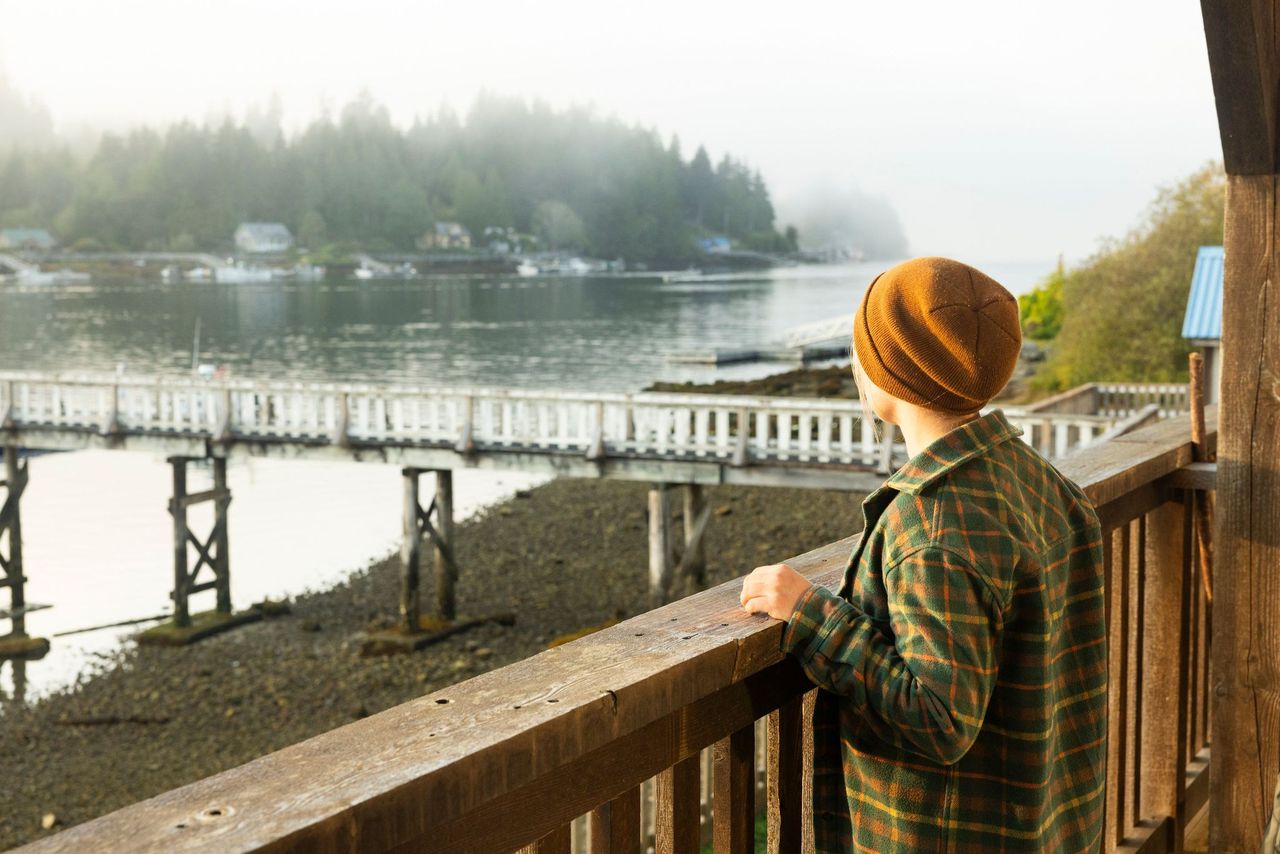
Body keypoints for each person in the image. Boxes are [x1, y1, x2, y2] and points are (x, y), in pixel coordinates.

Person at [740, 257, 1107, 852]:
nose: (853, 363)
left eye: (862, 348)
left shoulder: (931, 523)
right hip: (1049, 826)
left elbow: (939, 717)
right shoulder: (1044, 485)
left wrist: (810, 613)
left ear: (895, 369)